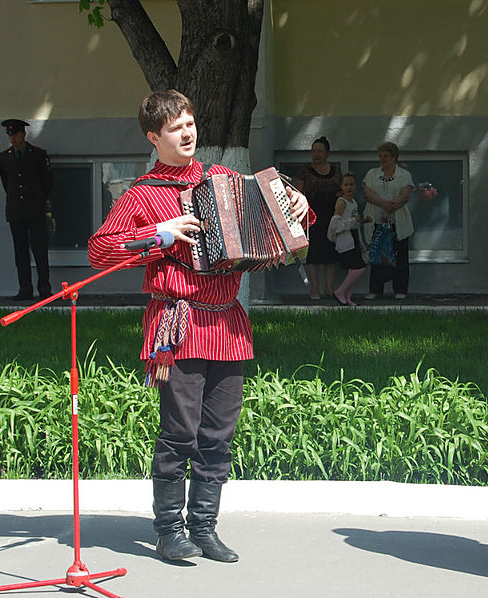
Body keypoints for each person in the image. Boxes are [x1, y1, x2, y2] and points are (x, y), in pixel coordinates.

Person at [88, 90, 312, 564]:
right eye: (175, 128)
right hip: (177, 324)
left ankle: (205, 529)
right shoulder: (143, 195)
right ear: (154, 137)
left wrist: (296, 203)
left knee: (218, 434)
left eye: (189, 123)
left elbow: (286, 221)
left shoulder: (223, 178)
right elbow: (100, 251)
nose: (187, 133)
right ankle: (169, 530)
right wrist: (159, 235)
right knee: (180, 432)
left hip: (228, 324)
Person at [0, 118, 54, 301]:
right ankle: (25, 288)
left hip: (35, 209)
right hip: (16, 210)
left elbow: (47, 182)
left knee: (39, 250)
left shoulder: (38, 155)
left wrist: (39, 201)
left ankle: (44, 288)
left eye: (15, 134)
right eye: (10, 135)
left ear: (23, 134)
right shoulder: (4, 157)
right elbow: (7, 182)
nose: (12, 138)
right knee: (20, 252)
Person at [362, 141, 415, 300]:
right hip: (376, 222)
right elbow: (367, 193)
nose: (382, 159)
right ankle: (375, 290)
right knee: (377, 255)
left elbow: (405, 195)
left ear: (394, 157)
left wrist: (389, 209)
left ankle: (400, 290)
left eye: (386, 156)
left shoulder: (404, 175)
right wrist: (385, 205)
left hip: (397, 222)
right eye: (380, 156)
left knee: (401, 256)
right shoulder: (372, 173)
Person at [294, 136, 341, 300]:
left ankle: (329, 288)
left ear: (327, 153)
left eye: (320, 151)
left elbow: (342, 191)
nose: (316, 154)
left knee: (331, 252)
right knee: (314, 253)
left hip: (332, 216)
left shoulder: (336, 170)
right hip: (312, 216)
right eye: (313, 151)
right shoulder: (305, 171)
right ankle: (315, 288)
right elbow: (298, 193)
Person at [327, 173, 370, 306]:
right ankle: (340, 292)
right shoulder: (341, 202)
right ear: (341, 186)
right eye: (346, 184)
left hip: (354, 237)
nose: (349, 187)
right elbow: (335, 225)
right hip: (346, 240)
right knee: (359, 268)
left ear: (356, 186)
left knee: (353, 269)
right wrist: (353, 220)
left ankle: (347, 297)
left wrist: (362, 222)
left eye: (351, 184)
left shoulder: (354, 202)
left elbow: (354, 224)